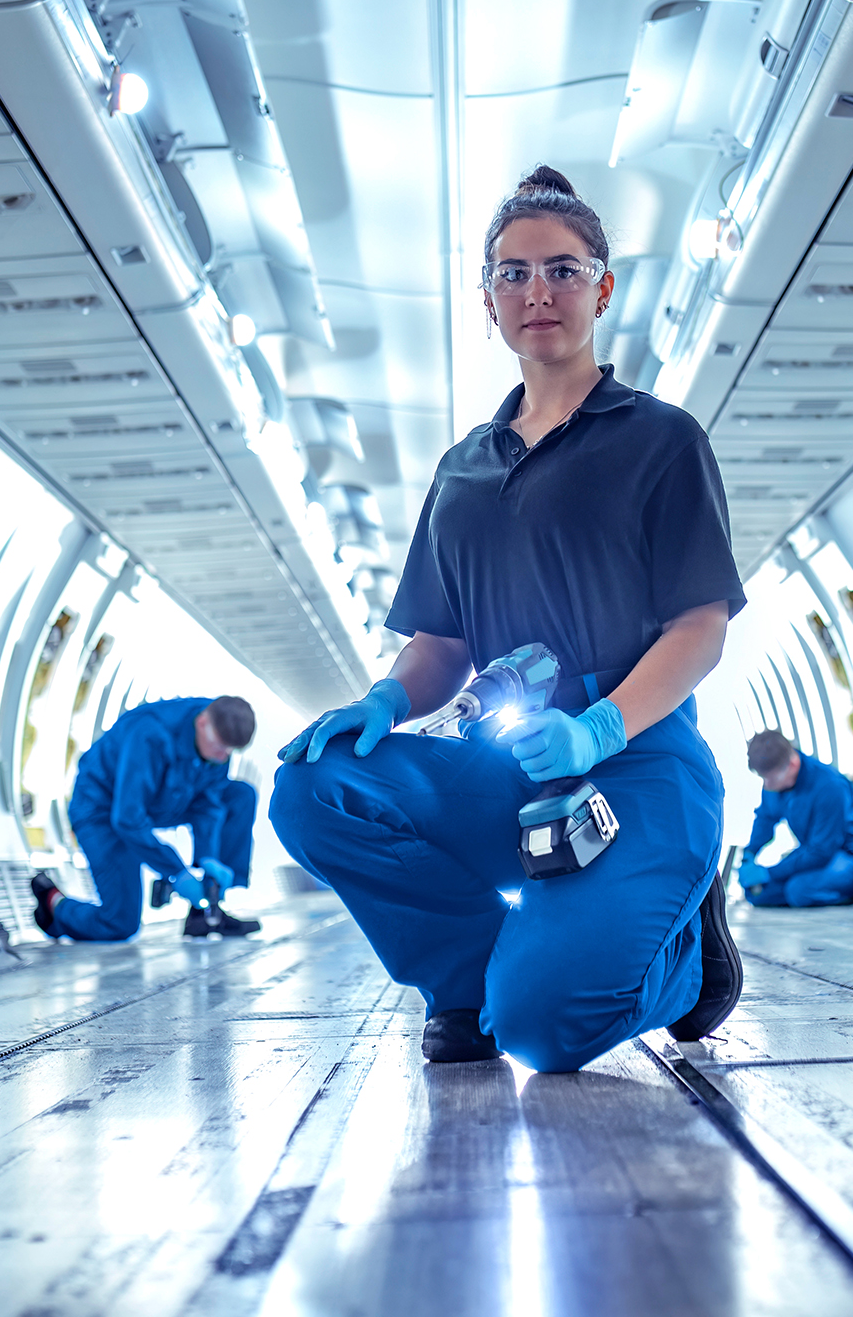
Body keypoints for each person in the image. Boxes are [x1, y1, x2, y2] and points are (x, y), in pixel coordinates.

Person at [270, 165, 747, 1074]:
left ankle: (689, 966)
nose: (540, 292)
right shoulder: (464, 469)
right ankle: (466, 985)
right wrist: (381, 700)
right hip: (503, 762)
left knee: (545, 1030)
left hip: (633, 765)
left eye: (564, 270)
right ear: (487, 299)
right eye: (514, 273)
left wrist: (598, 726)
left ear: (603, 289)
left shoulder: (660, 439)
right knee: (315, 784)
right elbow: (442, 643)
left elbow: (701, 626)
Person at [29, 694, 261, 940]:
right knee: (119, 923)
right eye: (220, 746)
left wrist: (209, 859)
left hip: (161, 800)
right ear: (202, 722)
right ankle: (55, 906)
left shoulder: (218, 734)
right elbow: (128, 818)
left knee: (239, 796)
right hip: (102, 811)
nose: (224, 756)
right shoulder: (149, 733)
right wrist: (177, 872)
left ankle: (206, 912)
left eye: (230, 750)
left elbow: (208, 805)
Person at [737, 730, 853, 907]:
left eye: (771, 778)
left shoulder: (830, 786)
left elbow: (822, 851)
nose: (767, 785)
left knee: (799, 890)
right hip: (816, 853)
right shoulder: (774, 781)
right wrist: (750, 852)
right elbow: (766, 818)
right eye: (763, 778)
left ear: (792, 764)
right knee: (759, 894)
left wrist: (770, 873)